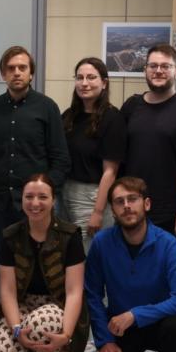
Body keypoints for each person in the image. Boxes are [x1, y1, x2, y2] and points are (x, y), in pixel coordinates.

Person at [87, 177, 176, 352]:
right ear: (112, 210)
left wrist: (135, 314)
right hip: (121, 328)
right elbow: (92, 294)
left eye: (132, 199)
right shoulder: (102, 243)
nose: (126, 206)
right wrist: (104, 341)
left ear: (146, 204)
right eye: (119, 201)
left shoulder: (169, 245)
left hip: (160, 324)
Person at [0, 174, 87, 352]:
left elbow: (74, 292)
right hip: (22, 306)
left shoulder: (70, 235)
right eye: (29, 196)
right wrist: (16, 329)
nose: (35, 203)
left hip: (57, 307)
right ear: (21, 199)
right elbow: (7, 291)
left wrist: (66, 335)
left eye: (42, 197)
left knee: (40, 323)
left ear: (53, 200)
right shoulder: (11, 236)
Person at [0, 46, 71, 252]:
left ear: (31, 73)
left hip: (35, 205)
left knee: (36, 260)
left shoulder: (47, 107)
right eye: (11, 68)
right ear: (3, 74)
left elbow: (61, 158)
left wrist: (47, 193)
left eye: (22, 67)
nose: (16, 72)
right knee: (5, 258)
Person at [119, 43, 176, 258]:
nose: (158, 71)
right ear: (145, 70)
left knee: (170, 273)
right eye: (153, 66)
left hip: (173, 212)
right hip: (134, 209)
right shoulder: (131, 106)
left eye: (165, 66)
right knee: (133, 270)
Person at [61, 57, 124, 251]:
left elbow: (110, 172)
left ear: (104, 83)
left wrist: (97, 212)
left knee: (88, 255)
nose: (84, 83)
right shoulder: (69, 116)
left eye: (91, 77)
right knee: (68, 255)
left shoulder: (113, 118)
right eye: (79, 78)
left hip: (93, 197)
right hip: (65, 193)